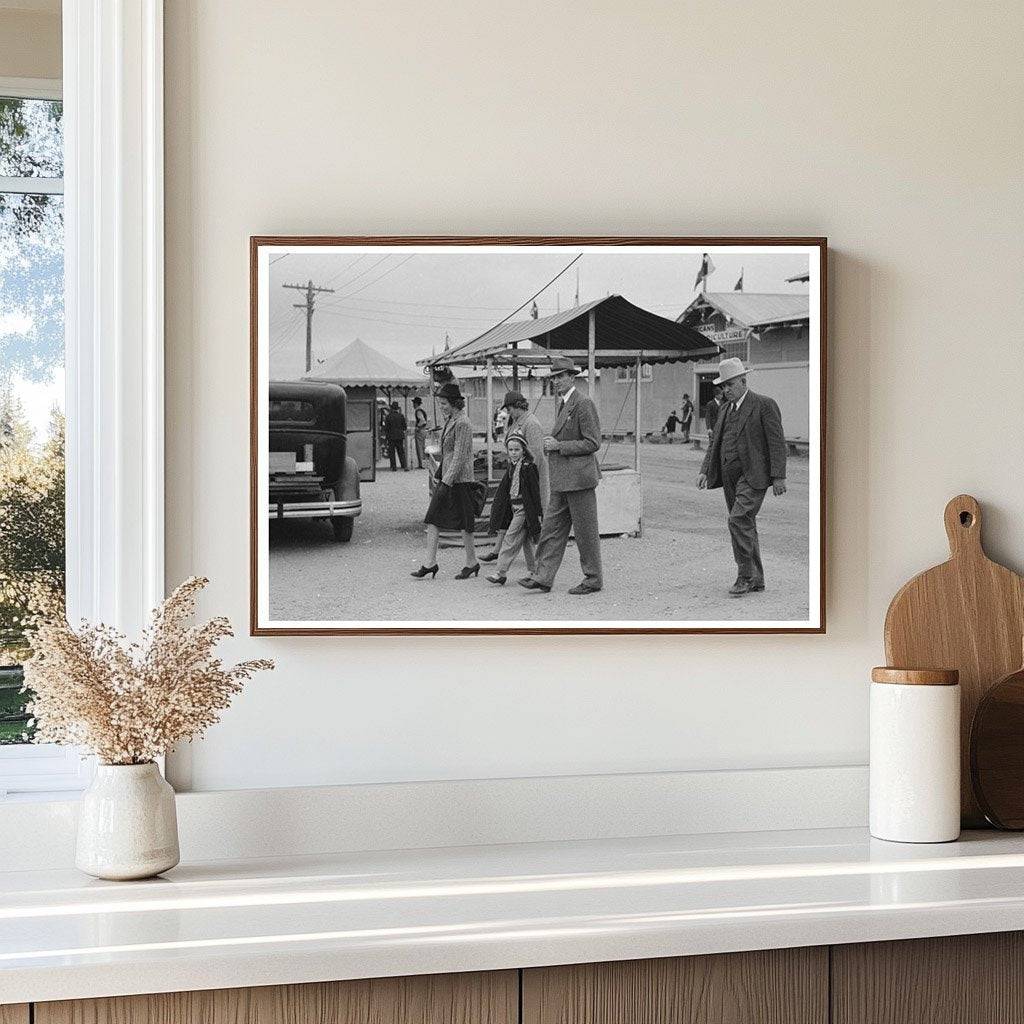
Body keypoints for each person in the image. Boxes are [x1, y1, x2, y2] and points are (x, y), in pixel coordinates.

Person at [697, 357, 787, 597]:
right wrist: (704, 470)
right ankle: (757, 579)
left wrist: (779, 476)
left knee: (738, 519)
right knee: (745, 524)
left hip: (754, 475)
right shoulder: (724, 409)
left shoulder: (764, 405)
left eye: (730, 385)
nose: (726, 390)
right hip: (729, 476)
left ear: (743, 382)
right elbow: (715, 443)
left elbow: (777, 442)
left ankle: (744, 576)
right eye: (723, 386)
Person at [519, 356, 603, 595]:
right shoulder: (565, 403)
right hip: (562, 480)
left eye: (560, 376)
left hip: (579, 479)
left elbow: (593, 442)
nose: (556, 381)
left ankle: (593, 579)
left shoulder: (583, 403)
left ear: (572, 377)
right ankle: (543, 576)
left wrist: (559, 446)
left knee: (585, 533)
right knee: (551, 529)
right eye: (553, 378)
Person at [413, 382, 479, 580]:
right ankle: (430, 563)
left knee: (465, 524)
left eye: (443, 403)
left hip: (461, 481)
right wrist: (441, 474)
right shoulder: (452, 420)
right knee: (433, 518)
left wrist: (446, 482)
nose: (441, 407)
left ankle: (471, 562)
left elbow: (460, 457)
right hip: (449, 478)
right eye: (440, 403)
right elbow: (448, 454)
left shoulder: (463, 423)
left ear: (454, 403)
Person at [480, 390, 548, 563]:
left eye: (509, 408)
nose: (508, 412)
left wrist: (528, 480)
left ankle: (541, 553)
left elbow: (536, 456)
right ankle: (498, 549)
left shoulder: (531, 423)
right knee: (504, 508)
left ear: (518, 406)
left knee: (531, 515)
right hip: (515, 473)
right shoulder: (518, 421)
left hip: (527, 477)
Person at [485, 433, 542, 585]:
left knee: (510, 538)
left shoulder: (528, 467)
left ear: (524, 450)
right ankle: (534, 571)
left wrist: (538, 512)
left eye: (517, 449)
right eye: (510, 450)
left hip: (524, 509)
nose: (513, 453)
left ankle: (501, 572)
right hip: (515, 508)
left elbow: (535, 491)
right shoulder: (512, 466)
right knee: (527, 542)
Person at [384, 402, 409, 471]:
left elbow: (386, 428)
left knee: (392, 452)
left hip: (391, 437)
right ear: (397, 408)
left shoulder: (388, 416)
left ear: (391, 408)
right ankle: (404, 465)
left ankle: (394, 467)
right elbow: (404, 427)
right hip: (400, 436)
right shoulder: (401, 416)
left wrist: (387, 435)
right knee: (401, 451)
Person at [412, 396, 428, 469]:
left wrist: (418, 427)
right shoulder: (421, 410)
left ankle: (421, 464)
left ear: (416, 404)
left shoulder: (418, 411)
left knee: (419, 447)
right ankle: (423, 463)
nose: (413, 405)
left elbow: (422, 421)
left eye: (413, 403)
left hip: (420, 431)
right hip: (423, 430)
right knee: (422, 447)